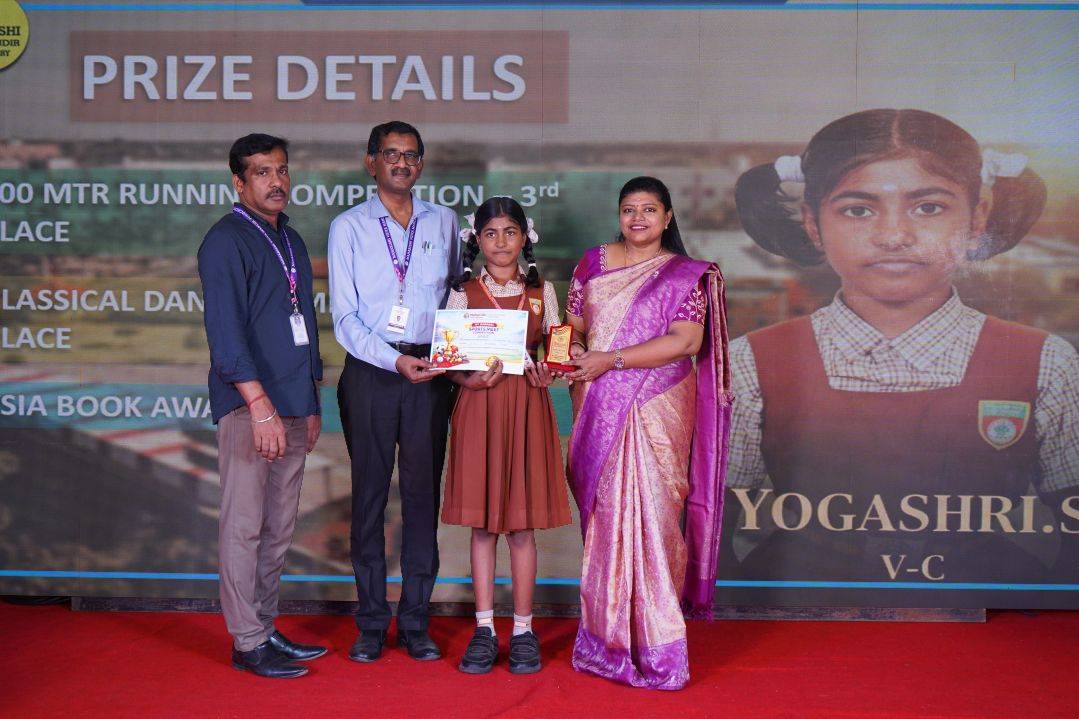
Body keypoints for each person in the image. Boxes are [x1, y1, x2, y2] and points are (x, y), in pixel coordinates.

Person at [728, 108, 1079, 582]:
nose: (894, 237)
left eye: (929, 207)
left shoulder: (1046, 362)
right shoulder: (751, 362)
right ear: (812, 223)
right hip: (800, 607)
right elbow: (710, 530)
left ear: (978, 217)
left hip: (988, 607)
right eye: (858, 210)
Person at [561, 176, 732, 690]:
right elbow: (571, 326)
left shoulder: (686, 275)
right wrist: (571, 353)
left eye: (649, 209)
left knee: (655, 520)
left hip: (659, 405)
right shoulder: (593, 263)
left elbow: (686, 342)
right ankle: (606, 640)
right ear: (619, 215)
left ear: (668, 216)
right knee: (608, 518)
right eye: (629, 209)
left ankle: (658, 645)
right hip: (598, 405)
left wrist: (609, 360)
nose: (638, 218)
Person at [328, 121, 460, 663]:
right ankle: (369, 622)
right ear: (371, 162)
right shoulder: (348, 228)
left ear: (420, 164)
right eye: (391, 154)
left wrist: (453, 355)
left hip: (430, 372)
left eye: (411, 155)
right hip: (372, 371)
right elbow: (344, 317)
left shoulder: (445, 221)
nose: (401, 163)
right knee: (370, 498)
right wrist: (394, 359)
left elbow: (457, 296)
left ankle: (415, 621)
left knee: (423, 497)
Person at [198, 133, 326, 678]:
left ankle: (265, 627)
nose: (277, 182)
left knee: (278, 527)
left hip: (294, 403)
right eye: (262, 172)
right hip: (251, 408)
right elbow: (225, 335)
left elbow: (305, 326)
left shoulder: (290, 238)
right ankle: (247, 641)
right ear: (239, 182)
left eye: (282, 170)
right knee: (245, 525)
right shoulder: (225, 241)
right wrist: (260, 406)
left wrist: (311, 400)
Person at [440, 196, 572, 675]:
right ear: (477, 240)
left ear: (524, 238)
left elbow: (557, 348)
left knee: (521, 526)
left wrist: (550, 372)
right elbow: (448, 360)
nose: (500, 242)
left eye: (510, 232)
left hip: (527, 407)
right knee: (482, 526)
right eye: (491, 233)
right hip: (479, 405)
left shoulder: (542, 291)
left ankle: (522, 629)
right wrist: (467, 379)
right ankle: (482, 628)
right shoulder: (462, 292)